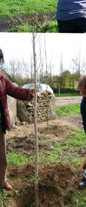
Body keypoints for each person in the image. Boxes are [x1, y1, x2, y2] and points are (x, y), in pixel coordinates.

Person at [0, 49, 34, 191]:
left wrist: (28, 93)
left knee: (2, 156)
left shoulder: (2, 79)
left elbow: (15, 90)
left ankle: (2, 181)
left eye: (0, 61)